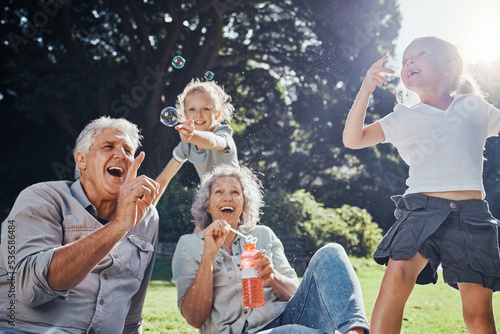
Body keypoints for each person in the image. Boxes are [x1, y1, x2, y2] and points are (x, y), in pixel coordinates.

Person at [343, 36, 500, 334]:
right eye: (405, 60)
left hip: (472, 218)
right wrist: (365, 89)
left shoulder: (475, 107)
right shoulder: (404, 116)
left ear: (449, 69)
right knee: (397, 276)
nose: (409, 62)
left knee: (478, 315)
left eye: (419, 55)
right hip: (420, 210)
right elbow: (353, 139)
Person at [0, 116, 160, 333]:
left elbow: (132, 308)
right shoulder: (42, 198)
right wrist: (119, 225)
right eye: (108, 146)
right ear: (82, 159)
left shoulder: (147, 216)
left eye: (128, 151)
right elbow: (29, 290)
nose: (121, 155)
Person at [171, 165, 370, 334]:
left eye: (235, 192)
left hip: (287, 319)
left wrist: (272, 276)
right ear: (207, 205)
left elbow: (295, 294)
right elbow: (194, 318)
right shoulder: (189, 244)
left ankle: (355, 330)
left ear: (243, 204)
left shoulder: (263, 235)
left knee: (332, 252)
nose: (228, 198)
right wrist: (208, 256)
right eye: (219, 192)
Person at [154, 78, 239, 206]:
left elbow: (214, 142)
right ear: (184, 115)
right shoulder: (187, 144)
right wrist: (147, 208)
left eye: (206, 109)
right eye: (192, 109)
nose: (198, 115)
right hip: (212, 201)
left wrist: (193, 135)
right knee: (201, 224)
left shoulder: (223, 133)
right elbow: (164, 178)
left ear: (217, 114)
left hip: (235, 198)